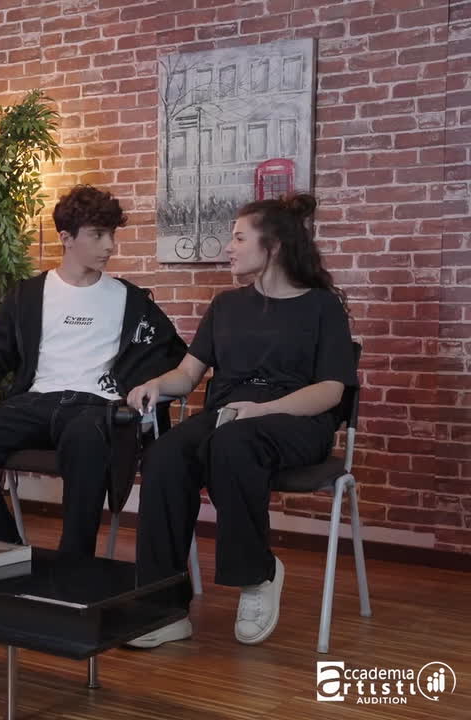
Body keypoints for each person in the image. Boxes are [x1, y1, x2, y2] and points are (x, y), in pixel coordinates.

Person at [126, 193, 357, 648]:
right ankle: (163, 607)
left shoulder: (321, 307)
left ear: (273, 246)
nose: (228, 248)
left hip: (297, 420)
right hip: (229, 417)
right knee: (165, 454)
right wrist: (156, 383)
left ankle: (258, 574)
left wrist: (263, 409)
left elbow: (331, 391)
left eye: (238, 238)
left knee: (232, 442)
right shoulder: (226, 306)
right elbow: (188, 374)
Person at [0, 185, 187, 554]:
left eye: (111, 234)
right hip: (34, 402)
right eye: (97, 235)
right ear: (66, 238)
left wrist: (149, 388)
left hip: (94, 406)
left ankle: (74, 562)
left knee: (87, 440)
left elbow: (173, 356)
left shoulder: (131, 300)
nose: (109, 246)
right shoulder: (28, 295)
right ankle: (8, 550)